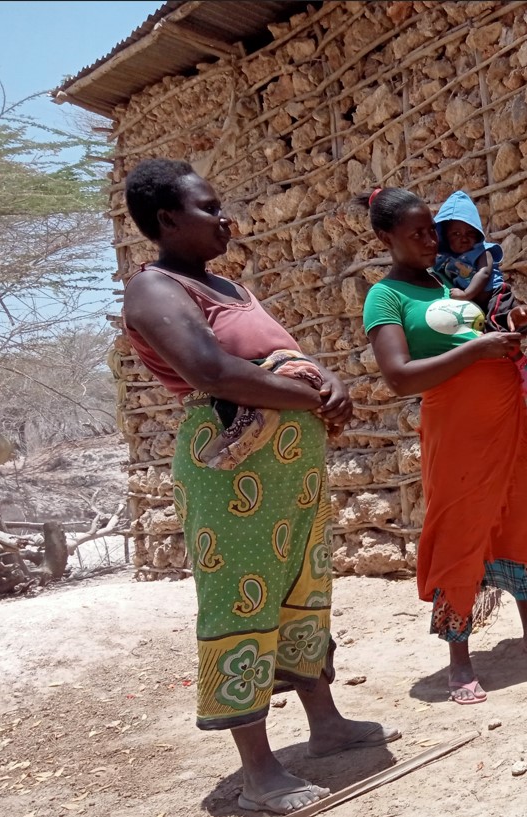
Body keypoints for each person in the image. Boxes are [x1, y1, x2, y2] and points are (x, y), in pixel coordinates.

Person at [121, 158, 398, 815]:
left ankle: (325, 723)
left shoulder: (227, 286)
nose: (225, 218)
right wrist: (311, 396)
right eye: (209, 207)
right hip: (231, 473)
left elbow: (272, 354)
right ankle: (259, 770)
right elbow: (212, 370)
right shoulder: (153, 289)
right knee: (240, 600)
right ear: (166, 219)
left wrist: (325, 378)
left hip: (289, 471)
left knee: (305, 589)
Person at [358, 186, 527, 706]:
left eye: (431, 233)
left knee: (515, 515)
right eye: (416, 234)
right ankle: (459, 659)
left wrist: (510, 329)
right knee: (459, 527)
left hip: (505, 414)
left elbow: (478, 332)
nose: (429, 242)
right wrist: (480, 347)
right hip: (456, 426)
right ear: (384, 237)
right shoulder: (385, 296)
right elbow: (399, 376)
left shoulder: (447, 281)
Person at [430, 189, 527, 395]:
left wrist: (465, 296)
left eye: (469, 233)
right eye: (456, 234)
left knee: (498, 329)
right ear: (445, 237)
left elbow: (483, 274)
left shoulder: (483, 252)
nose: (463, 238)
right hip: (478, 304)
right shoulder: (445, 261)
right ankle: (516, 371)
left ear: (478, 234)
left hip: (495, 295)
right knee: (483, 335)